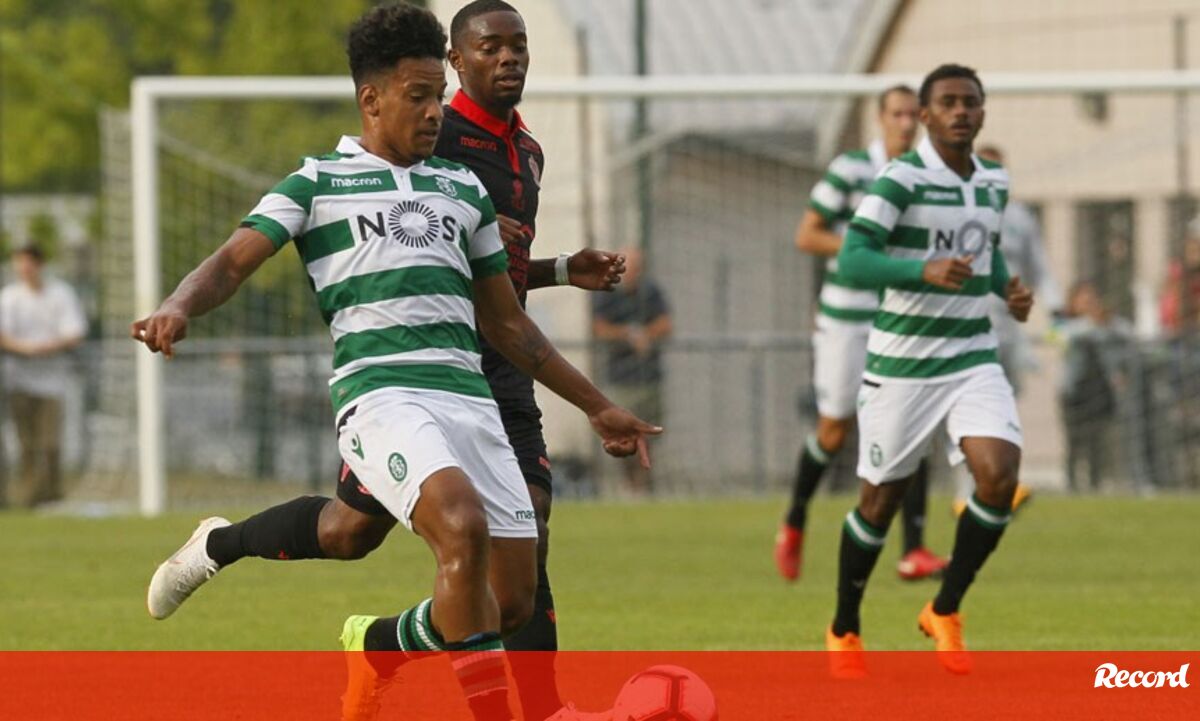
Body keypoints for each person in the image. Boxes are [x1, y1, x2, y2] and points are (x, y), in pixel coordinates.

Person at [132, 5, 660, 721]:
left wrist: (597, 406)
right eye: (419, 96)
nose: (436, 111)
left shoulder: (462, 191)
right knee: (461, 526)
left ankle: (375, 645)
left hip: (471, 401)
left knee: (508, 600)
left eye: (439, 95)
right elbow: (230, 261)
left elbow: (507, 323)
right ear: (372, 99)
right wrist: (178, 305)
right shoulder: (317, 182)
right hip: (382, 397)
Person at [823, 64, 1034, 677]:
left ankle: (945, 609)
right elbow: (854, 259)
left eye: (970, 102)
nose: (961, 111)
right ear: (926, 115)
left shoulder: (993, 181)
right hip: (904, 365)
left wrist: (1007, 290)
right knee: (878, 504)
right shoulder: (901, 179)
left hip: (972, 355)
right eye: (948, 102)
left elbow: (985, 251)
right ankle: (844, 626)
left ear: (982, 112)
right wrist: (921, 270)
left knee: (999, 476)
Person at [774, 85, 947, 583]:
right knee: (834, 429)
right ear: (880, 118)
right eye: (898, 114)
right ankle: (795, 520)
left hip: (900, 317)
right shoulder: (851, 170)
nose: (906, 123)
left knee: (912, 422)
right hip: (846, 319)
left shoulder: (926, 175)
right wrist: (862, 249)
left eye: (913, 115)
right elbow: (807, 234)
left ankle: (913, 549)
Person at [0, 244, 87, 508]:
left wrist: (48, 347)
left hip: (52, 383)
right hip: (18, 381)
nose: (23, 268)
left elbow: (75, 332)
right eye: (19, 263)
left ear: (39, 265)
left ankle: (51, 497)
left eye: (28, 263)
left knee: (50, 444)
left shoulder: (60, 294)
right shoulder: (9, 297)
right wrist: (25, 348)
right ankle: (28, 499)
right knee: (26, 445)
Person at [591, 246, 672, 495]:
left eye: (637, 267)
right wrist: (628, 334)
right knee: (623, 434)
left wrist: (645, 335)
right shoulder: (607, 292)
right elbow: (599, 328)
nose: (633, 272)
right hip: (620, 379)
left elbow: (666, 324)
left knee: (648, 433)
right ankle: (630, 486)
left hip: (648, 378)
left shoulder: (651, 292)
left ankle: (644, 486)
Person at [1059, 281, 1131, 492]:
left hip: (1099, 390)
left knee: (1097, 441)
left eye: (1091, 298)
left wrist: (1105, 321)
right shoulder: (1067, 323)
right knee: (1075, 441)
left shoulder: (1108, 324)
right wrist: (1093, 323)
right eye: (1083, 298)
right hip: (1074, 391)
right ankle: (1072, 484)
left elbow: (1127, 331)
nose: (1088, 302)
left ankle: (1095, 484)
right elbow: (1059, 335)